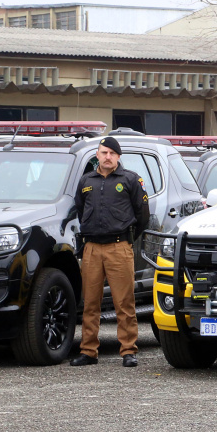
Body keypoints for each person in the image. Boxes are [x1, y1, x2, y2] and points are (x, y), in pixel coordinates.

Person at [70, 136, 149, 367]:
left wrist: (127, 239)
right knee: (90, 303)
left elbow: (142, 214)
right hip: (92, 248)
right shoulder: (87, 180)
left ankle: (128, 351)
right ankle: (88, 351)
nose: (107, 157)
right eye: (104, 152)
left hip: (118, 247)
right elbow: (80, 208)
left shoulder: (130, 179)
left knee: (124, 302)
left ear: (118, 156)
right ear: (97, 154)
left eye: (112, 153)